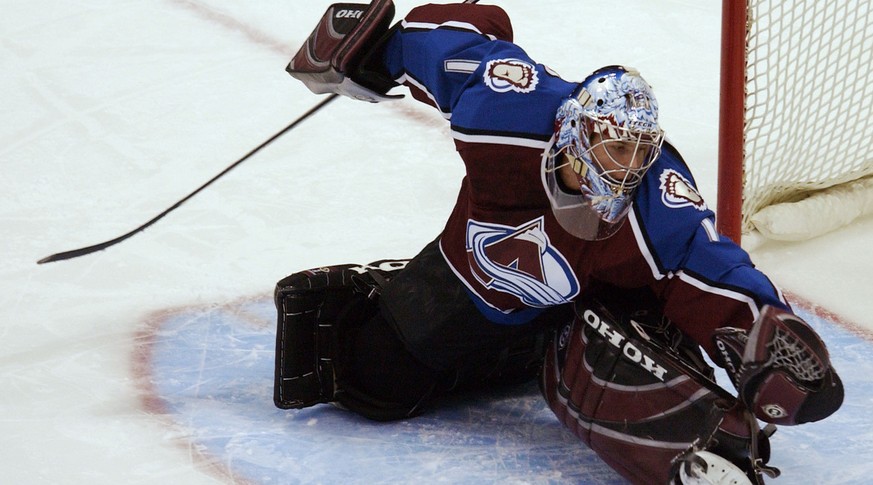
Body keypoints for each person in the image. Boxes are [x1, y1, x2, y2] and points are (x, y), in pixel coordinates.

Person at [273, 2, 844, 483]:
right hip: (458, 288)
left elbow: (708, 261)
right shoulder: (507, 110)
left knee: (630, 336)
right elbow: (457, 44)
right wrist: (371, 47)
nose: (628, 168)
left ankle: (698, 446)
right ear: (574, 132)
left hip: (570, 311)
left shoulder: (656, 201)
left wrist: (761, 327)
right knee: (376, 387)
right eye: (614, 148)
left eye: (639, 153)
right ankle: (381, 292)